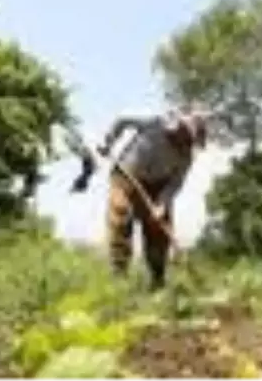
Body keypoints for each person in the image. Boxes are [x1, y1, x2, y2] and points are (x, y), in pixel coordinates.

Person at [73, 108, 208, 290]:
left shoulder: (186, 156)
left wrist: (161, 204)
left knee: (158, 229)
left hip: (158, 188)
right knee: (121, 216)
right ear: (180, 128)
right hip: (126, 177)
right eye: (186, 135)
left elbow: (175, 184)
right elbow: (122, 120)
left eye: (191, 140)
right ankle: (119, 277)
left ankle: (157, 281)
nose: (187, 142)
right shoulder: (155, 123)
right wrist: (109, 141)